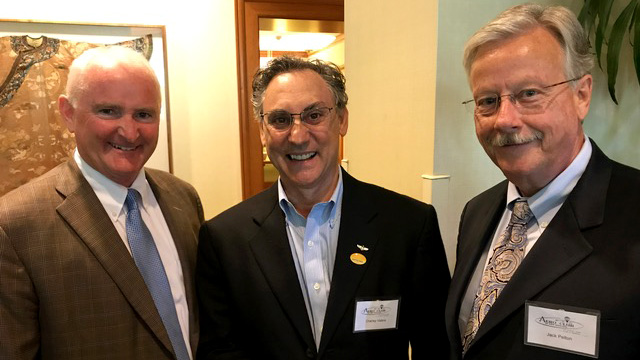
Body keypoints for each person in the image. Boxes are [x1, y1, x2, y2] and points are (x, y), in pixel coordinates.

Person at [196, 56, 450, 359]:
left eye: (314, 115)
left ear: (342, 120)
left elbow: (436, 346)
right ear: (262, 132)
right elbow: (219, 351)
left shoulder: (408, 225)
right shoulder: (224, 239)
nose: (299, 136)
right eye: (280, 120)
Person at [446, 4, 640, 359]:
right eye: (488, 101)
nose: (505, 119)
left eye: (529, 94)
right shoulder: (477, 212)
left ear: (582, 95)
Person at [0, 46, 204, 359]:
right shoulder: (15, 225)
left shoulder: (183, 198)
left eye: (144, 114)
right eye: (109, 111)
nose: (130, 131)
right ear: (68, 113)